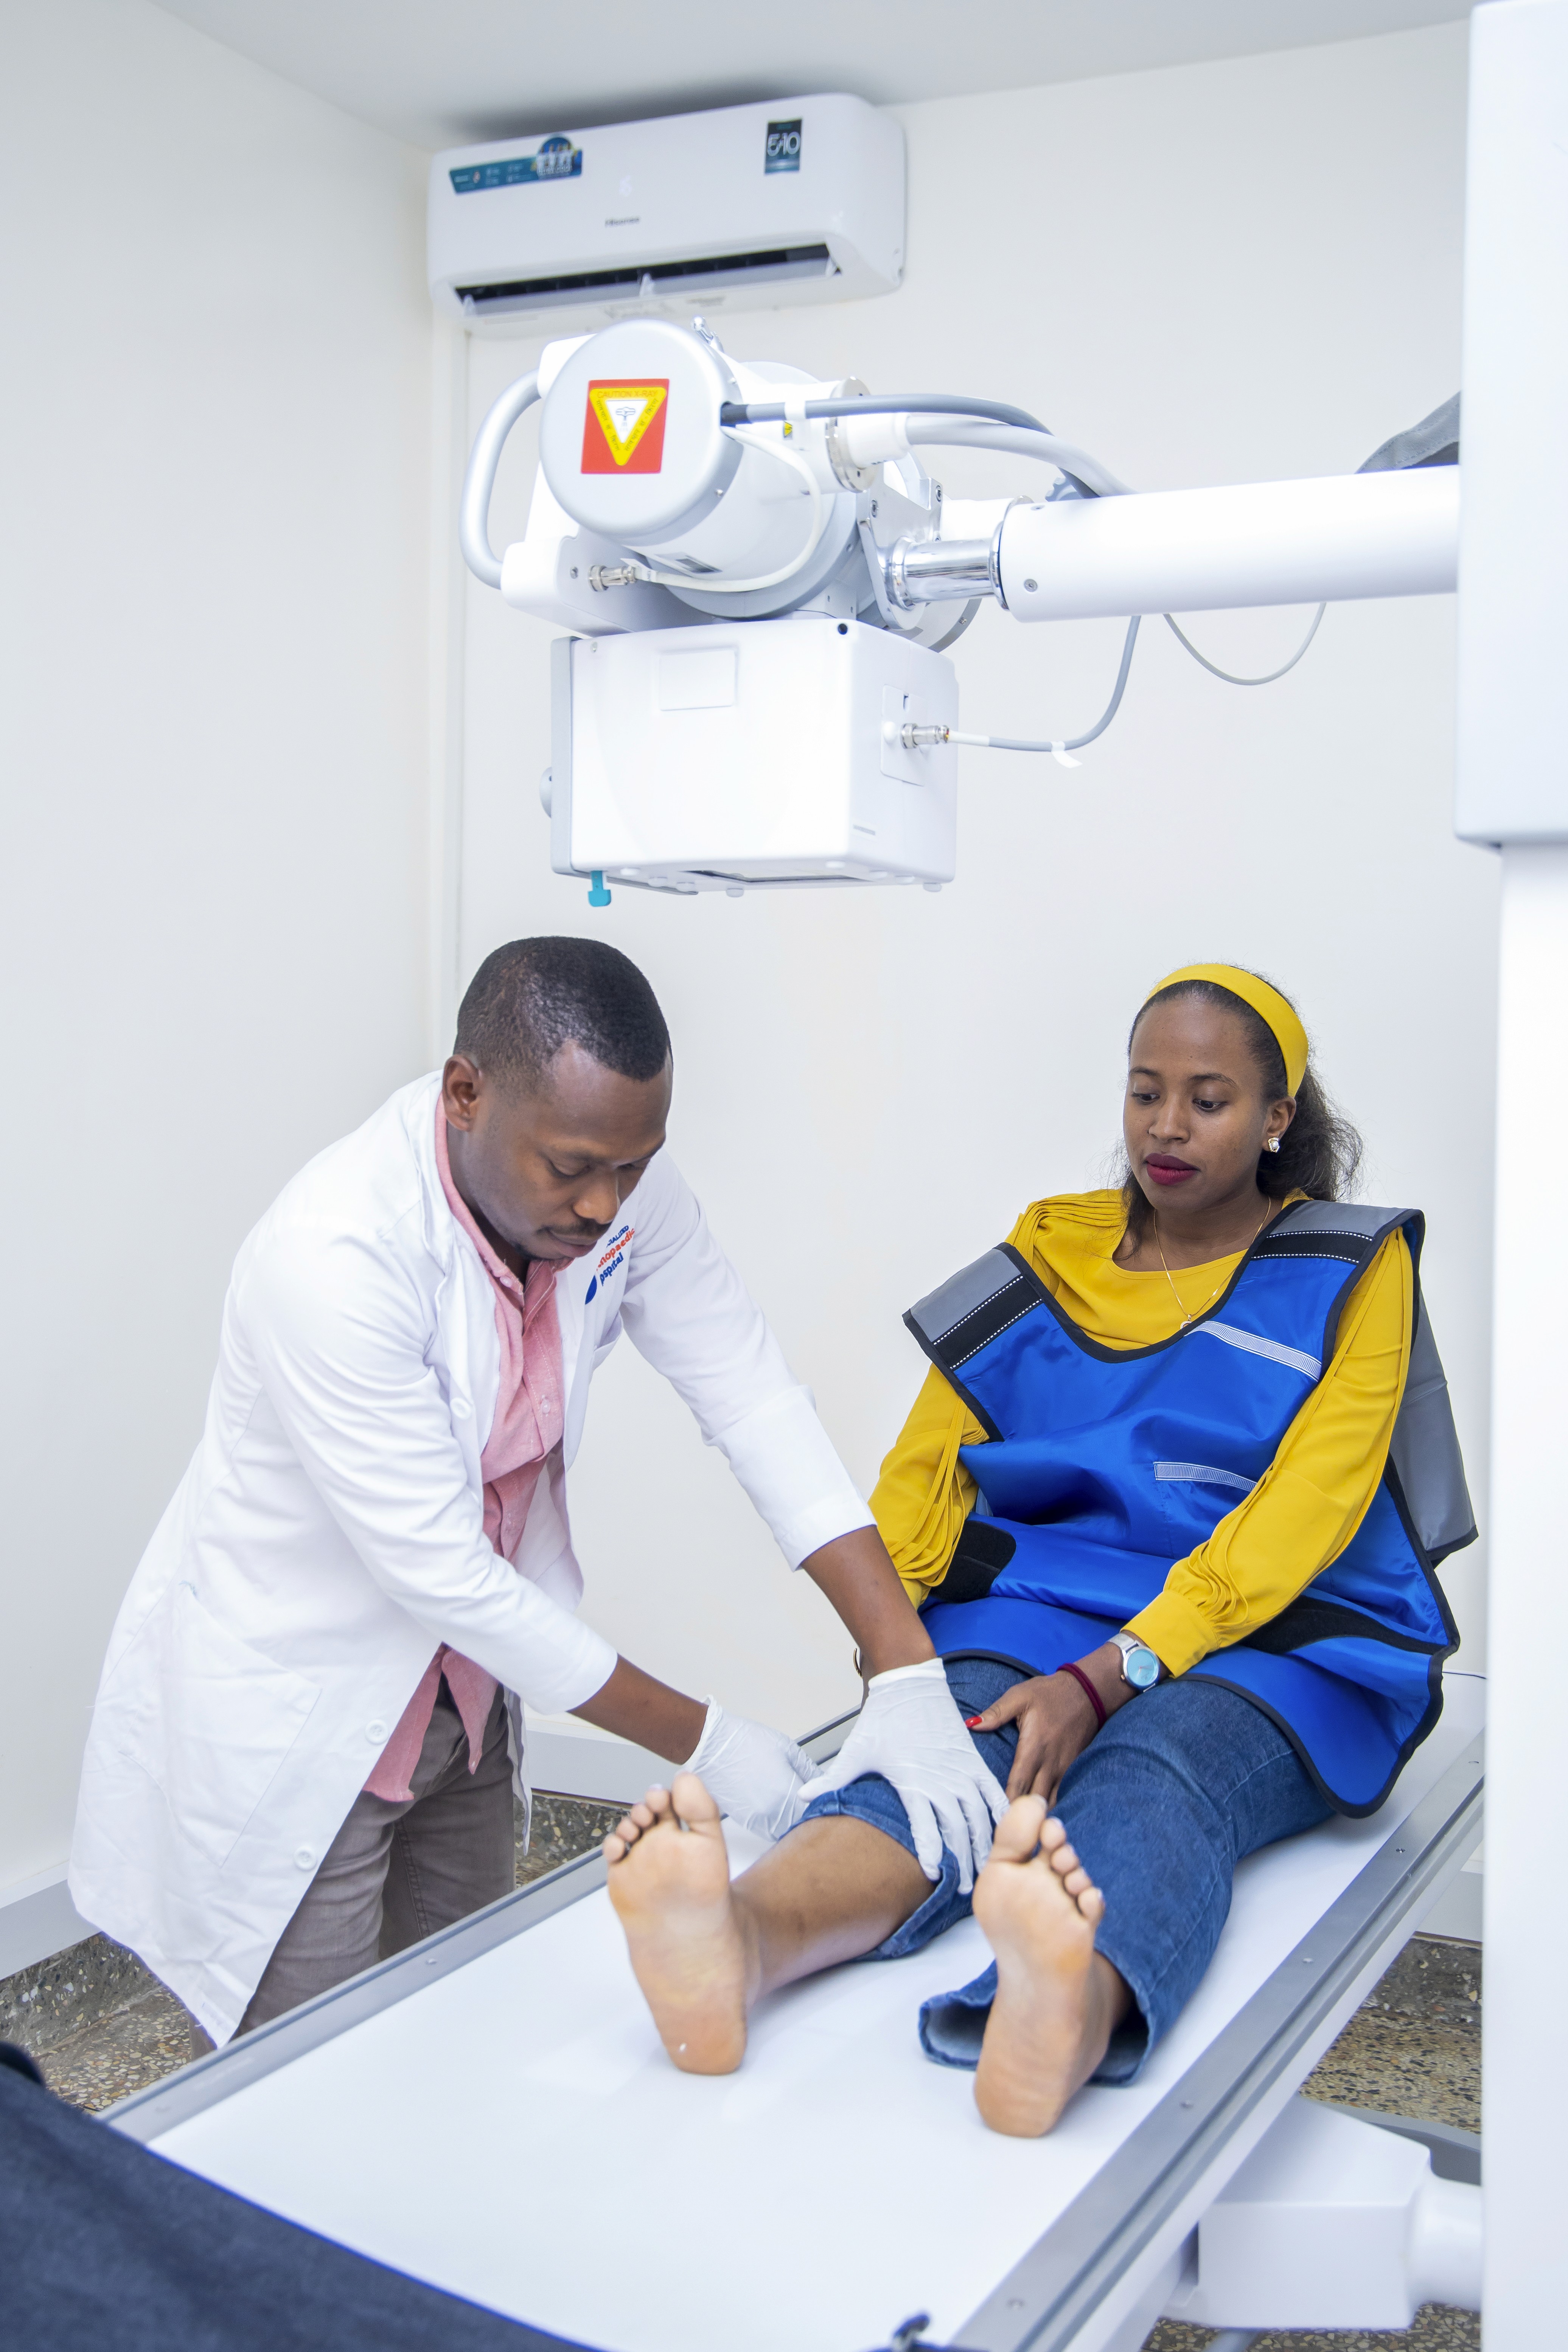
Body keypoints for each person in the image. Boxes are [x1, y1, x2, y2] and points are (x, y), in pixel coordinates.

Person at [70, 938, 1004, 2048]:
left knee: (460, 2020)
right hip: (305, 1703)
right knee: (304, 2073)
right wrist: (710, 1742)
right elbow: (444, 1575)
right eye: (571, 1168)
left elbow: (749, 1395)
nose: (606, 1203)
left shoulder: (608, 1178)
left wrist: (903, 1668)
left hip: (469, 1702)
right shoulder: (335, 1255)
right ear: (466, 1093)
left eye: (636, 1165)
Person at [601, 963, 1475, 2135]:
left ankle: (1061, 2005)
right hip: (1045, 1609)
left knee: (1158, 1768)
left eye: (1208, 1099)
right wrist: (900, 1664)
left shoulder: (1350, 1266)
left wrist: (1108, 1676)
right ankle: (738, 1942)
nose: (1165, 1126)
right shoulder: (1051, 1242)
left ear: (1276, 1118)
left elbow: (1298, 1520)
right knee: (946, 1748)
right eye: (1144, 1090)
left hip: (1281, 1636)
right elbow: (932, 1455)